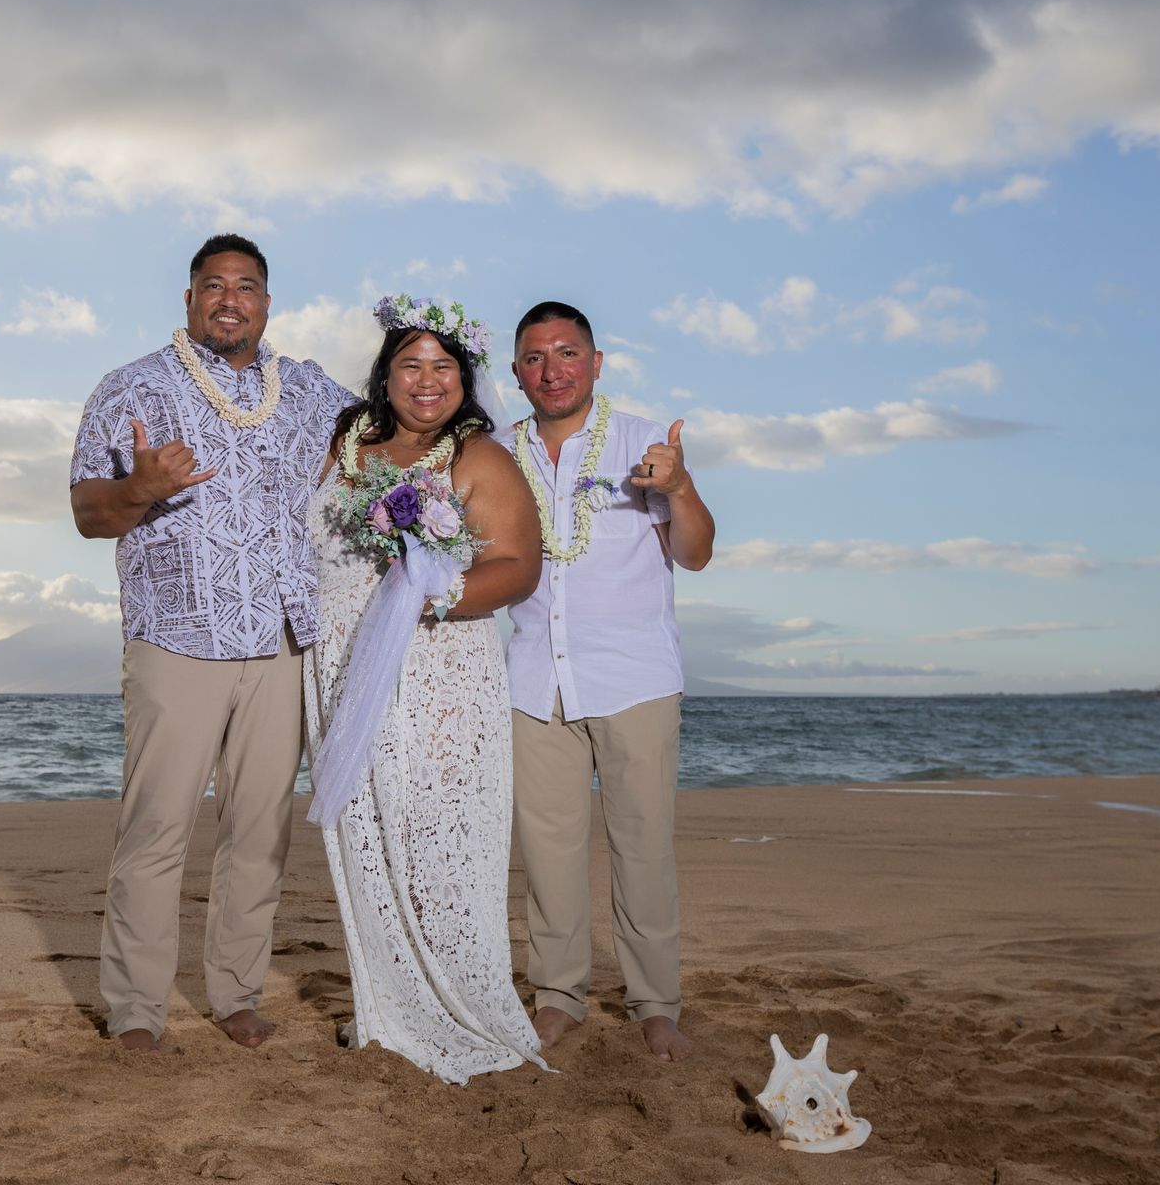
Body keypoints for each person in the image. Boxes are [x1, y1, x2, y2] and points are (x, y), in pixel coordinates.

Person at [69, 234, 355, 1052]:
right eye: (213, 285)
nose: (230, 299)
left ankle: (235, 993)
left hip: (282, 641)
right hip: (177, 637)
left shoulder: (306, 391)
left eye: (248, 286)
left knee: (260, 829)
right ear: (190, 299)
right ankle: (135, 1009)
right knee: (157, 827)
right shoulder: (132, 389)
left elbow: (390, 432)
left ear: (268, 303)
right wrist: (140, 487)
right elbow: (90, 513)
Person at [303, 296, 548, 1084]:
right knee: (366, 840)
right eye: (410, 363)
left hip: (439, 675)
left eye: (443, 365)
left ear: (464, 378)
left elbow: (517, 566)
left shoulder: (477, 458)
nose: (427, 379)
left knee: (437, 844)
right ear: (386, 374)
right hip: (343, 671)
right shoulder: (346, 444)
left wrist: (430, 595)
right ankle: (385, 1007)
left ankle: (455, 1005)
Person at [503, 300, 716, 1062]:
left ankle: (656, 1003)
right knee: (548, 851)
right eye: (534, 357)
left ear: (596, 364)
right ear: (517, 371)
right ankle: (557, 996)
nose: (551, 369)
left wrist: (682, 488)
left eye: (567, 353)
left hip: (634, 679)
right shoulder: (497, 455)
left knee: (643, 847)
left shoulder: (642, 445)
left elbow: (694, 555)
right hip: (532, 682)